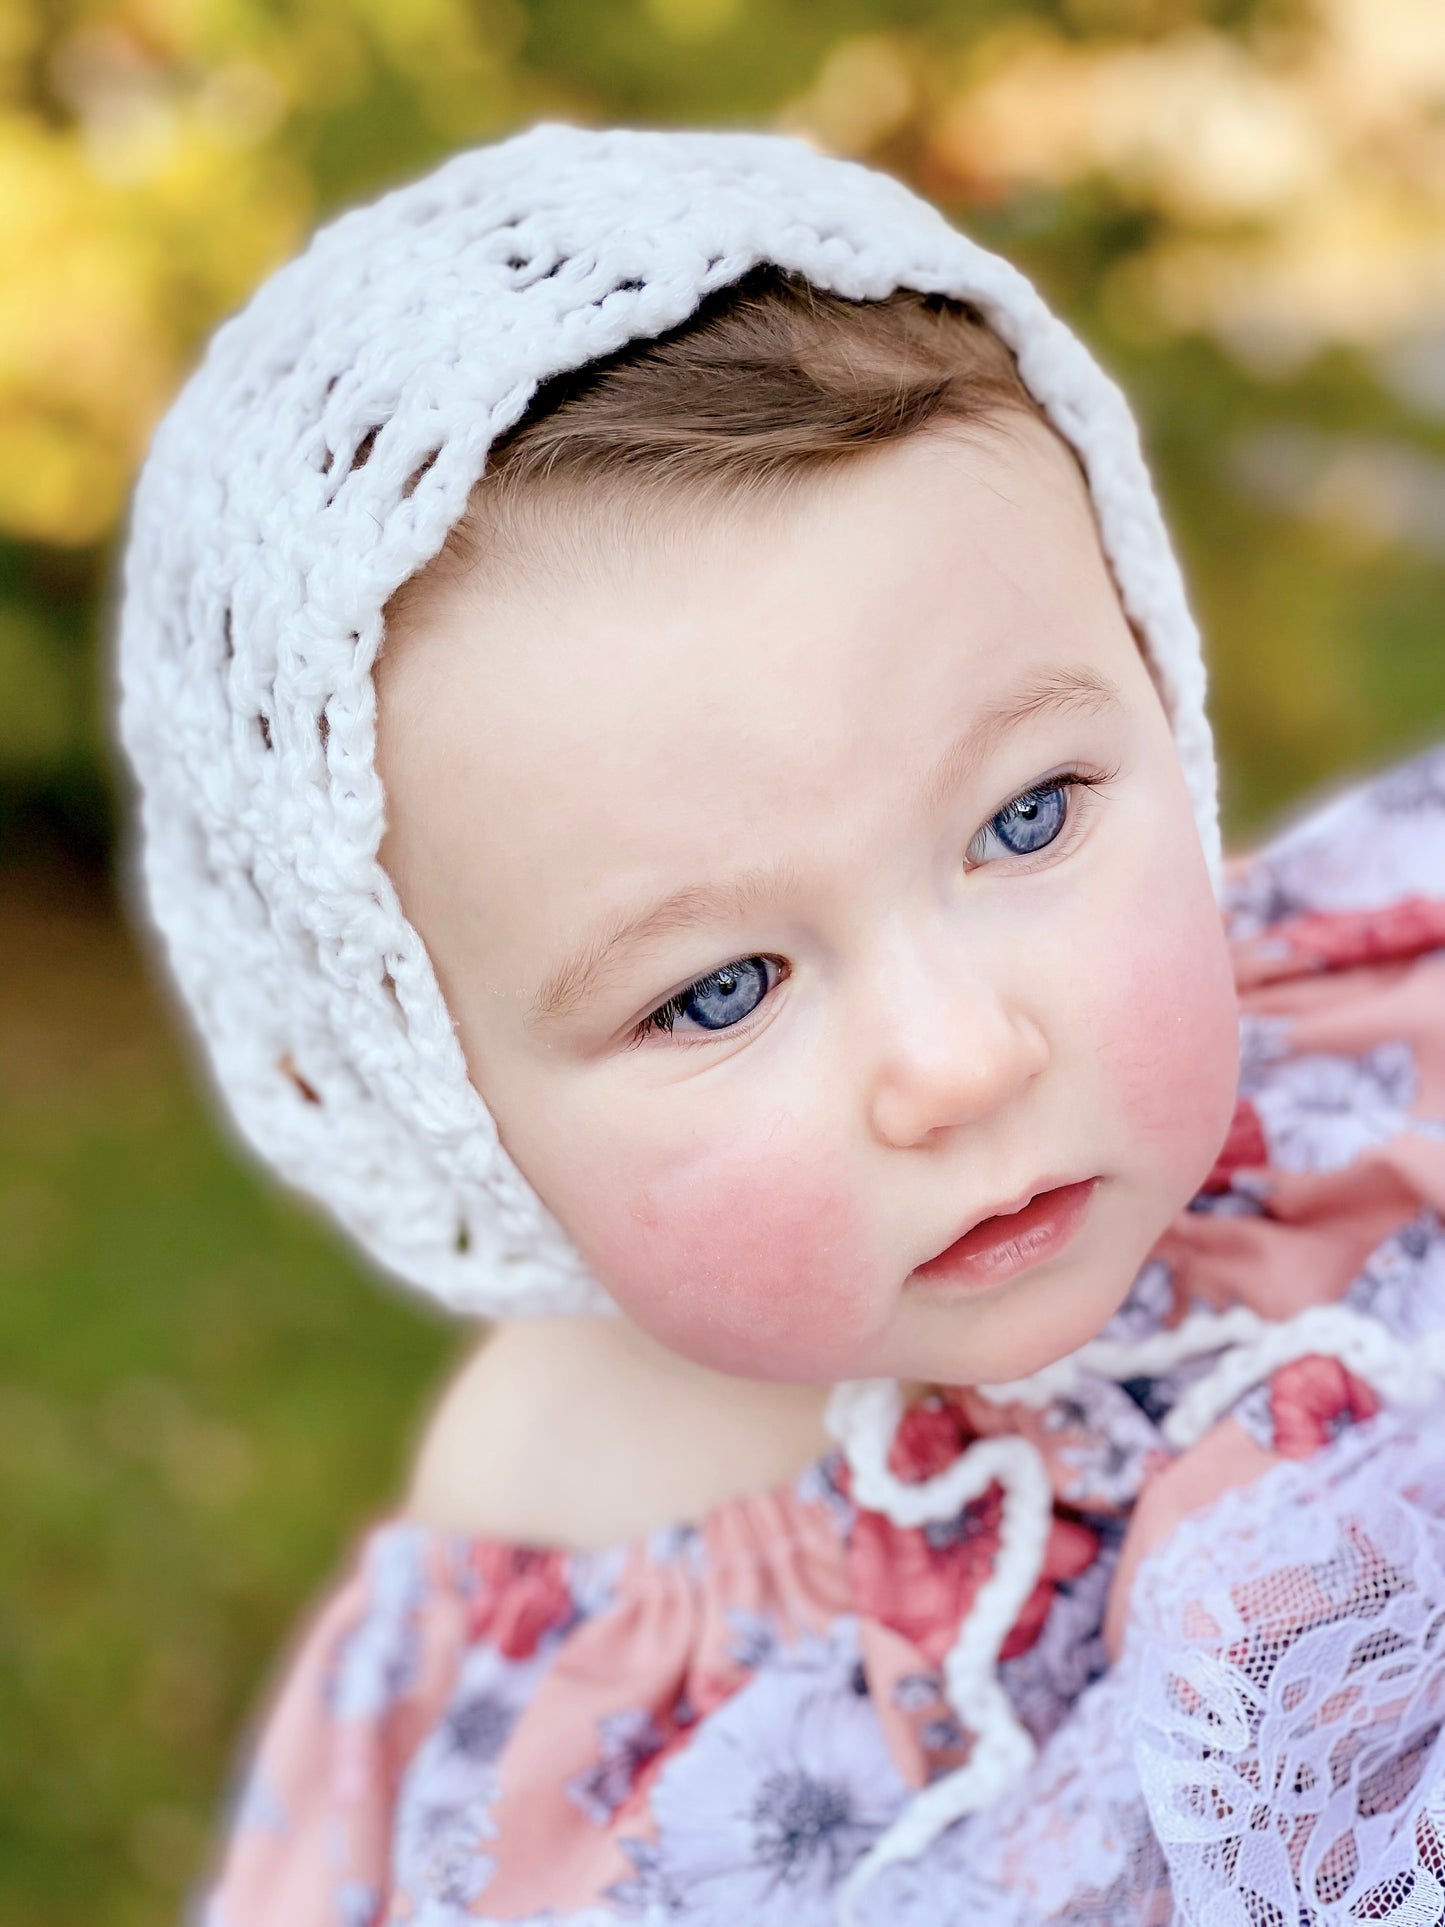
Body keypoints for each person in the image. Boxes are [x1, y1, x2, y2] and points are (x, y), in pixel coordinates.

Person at [114, 123, 1445, 1927]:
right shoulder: (578, 1616)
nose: (963, 1058)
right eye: (718, 991)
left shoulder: (1392, 1036)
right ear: (438, 1087)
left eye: (1028, 816)